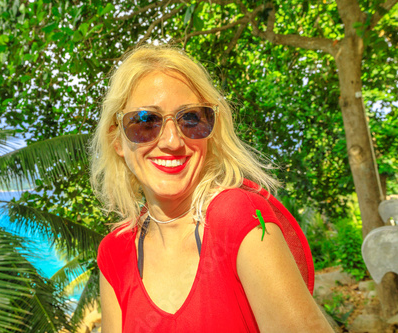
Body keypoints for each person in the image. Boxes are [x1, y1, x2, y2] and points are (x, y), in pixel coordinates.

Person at [90, 44, 332, 332]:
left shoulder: (237, 216)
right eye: (145, 121)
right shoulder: (115, 251)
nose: (172, 141)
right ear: (117, 140)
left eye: (191, 119)